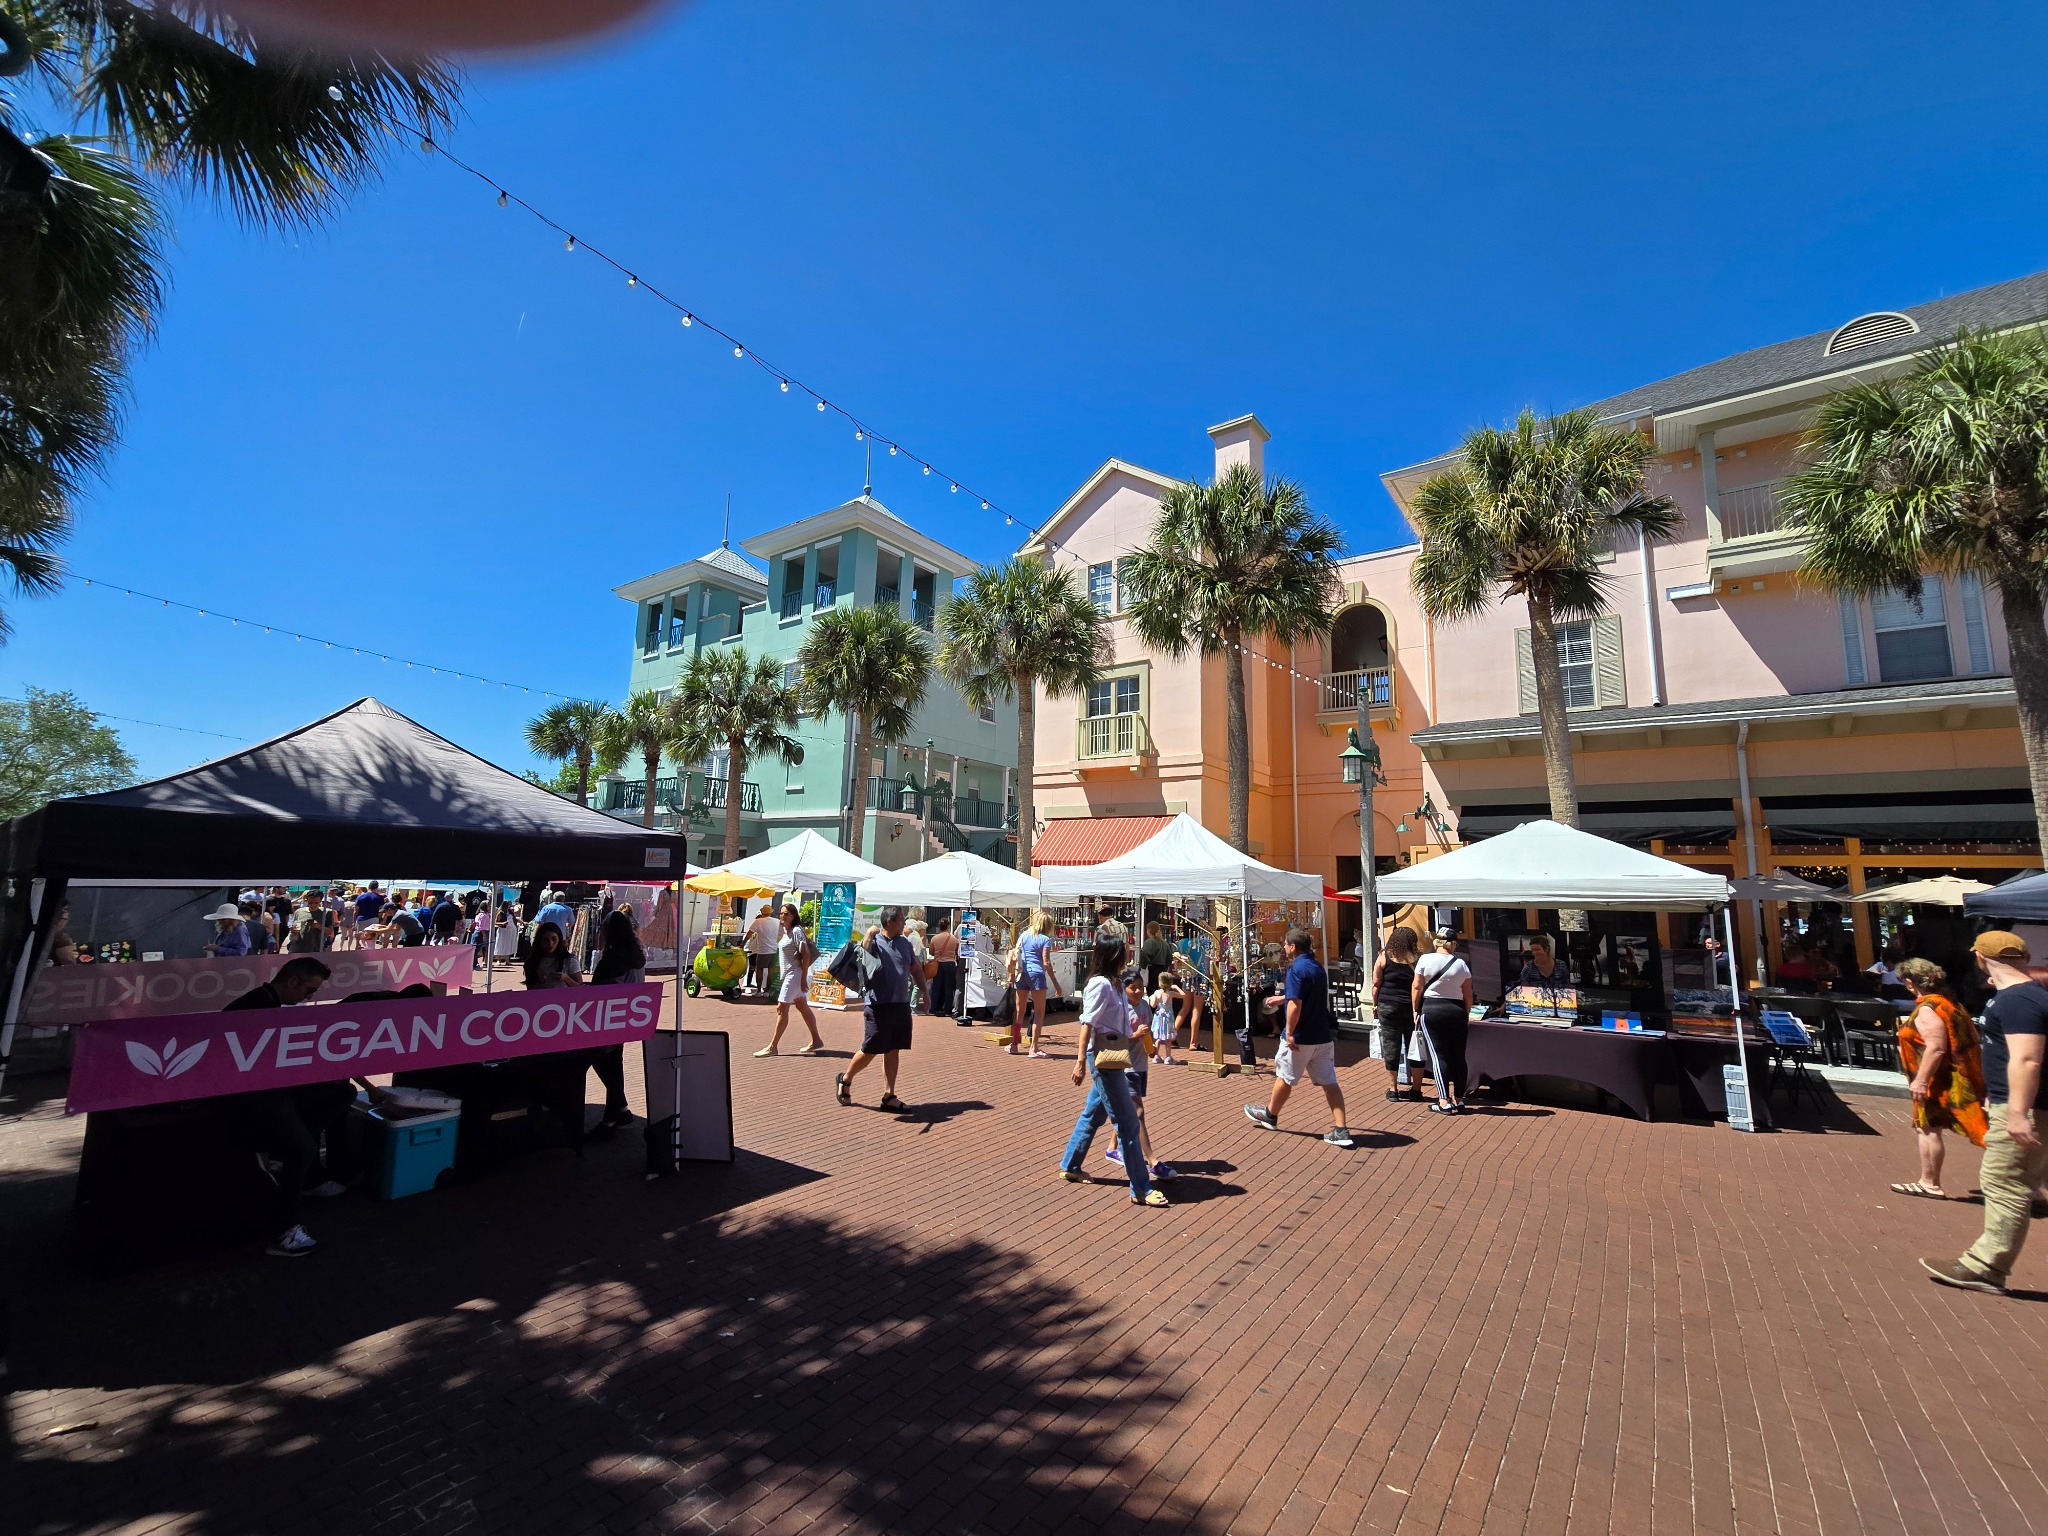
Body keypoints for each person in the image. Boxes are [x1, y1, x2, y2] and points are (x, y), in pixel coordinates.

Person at [1923, 932, 2048, 1296]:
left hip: (2026, 1108)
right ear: (2024, 958)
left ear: (1980, 958)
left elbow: (2027, 1059)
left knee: (2004, 1182)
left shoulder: (2017, 1000)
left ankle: (1986, 1267)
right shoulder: (2027, 996)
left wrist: (2017, 1111)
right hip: (2024, 1102)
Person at [222, 957, 346, 1258]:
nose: (308, 998)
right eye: (308, 991)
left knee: (342, 1093)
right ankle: (284, 1230)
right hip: (252, 1098)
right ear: (292, 981)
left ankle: (289, 1155)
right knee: (303, 1149)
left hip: (269, 1091)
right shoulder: (256, 1007)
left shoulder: (264, 1003)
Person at [1056, 937, 1168, 1207]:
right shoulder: (1101, 984)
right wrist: (1080, 1061)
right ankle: (1141, 1188)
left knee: (1094, 1113)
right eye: (1125, 950)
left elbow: (1118, 1023)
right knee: (1128, 1123)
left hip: (1116, 1055)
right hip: (1103, 1058)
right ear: (1114, 955)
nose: (1129, 953)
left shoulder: (1116, 983)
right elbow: (1087, 1023)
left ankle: (1071, 1164)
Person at [1244, 930, 1355, 1147]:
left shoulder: (1296, 969)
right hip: (1322, 1035)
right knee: (1330, 1083)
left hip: (1301, 1037)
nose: (1284, 947)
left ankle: (1270, 1114)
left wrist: (1289, 1032)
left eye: (1286, 944)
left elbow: (1296, 1004)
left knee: (1284, 1077)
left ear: (1293, 947)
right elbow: (1306, 995)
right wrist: (1282, 999)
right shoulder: (1317, 967)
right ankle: (1341, 1129)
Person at [1888, 957, 1987, 1200]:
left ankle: (1929, 1183)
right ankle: (2033, 1185)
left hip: (1939, 1081)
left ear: (1910, 983)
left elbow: (1936, 1048)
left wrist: (1921, 1080)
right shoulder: (1950, 1004)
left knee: (1928, 1128)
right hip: (1955, 1078)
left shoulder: (1928, 1009)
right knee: (1982, 1129)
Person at [837, 906, 915, 1111]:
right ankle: (845, 1079)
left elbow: (915, 968)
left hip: (900, 1003)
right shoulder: (874, 940)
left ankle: (889, 1095)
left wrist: (924, 989)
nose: (904, 923)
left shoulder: (905, 943)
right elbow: (862, 960)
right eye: (901, 919)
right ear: (890, 922)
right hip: (877, 1004)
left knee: (894, 1049)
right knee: (870, 1049)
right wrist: (868, 936)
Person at [1104, 968, 1175, 1180]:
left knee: (1125, 1110)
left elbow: (1149, 1030)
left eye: (1140, 987)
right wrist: (1135, 1035)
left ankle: (1112, 1148)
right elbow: (1113, 1038)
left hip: (1140, 1065)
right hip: (1125, 1067)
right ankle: (1153, 1161)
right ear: (1123, 988)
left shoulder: (1144, 1005)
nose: (1137, 991)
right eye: (1132, 987)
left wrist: (1151, 1047)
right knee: (1138, 1112)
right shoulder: (1120, 1008)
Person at [585, 909, 643, 1132]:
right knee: (613, 1062)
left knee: (603, 1061)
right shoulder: (634, 953)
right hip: (625, 1016)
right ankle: (621, 1109)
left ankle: (613, 1116)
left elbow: (607, 990)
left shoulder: (616, 957)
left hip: (609, 1018)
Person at [1412, 927, 1474, 1115]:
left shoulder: (1425, 959)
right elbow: (1468, 993)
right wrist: (1466, 1013)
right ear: (1452, 944)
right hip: (1456, 1010)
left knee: (1439, 1055)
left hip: (1432, 1008)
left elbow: (1416, 987)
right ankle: (1460, 1099)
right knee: (1459, 1056)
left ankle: (1444, 1100)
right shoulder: (1461, 964)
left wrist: (1415, 1009)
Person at [759, 903, 824, 1056]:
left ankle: (773, 1047)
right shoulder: (787, 932)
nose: (783, 916)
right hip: (791, 974)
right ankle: (816, 1040)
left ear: (794, 916)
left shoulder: (796, 931)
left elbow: (806, 954)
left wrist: (803, 978)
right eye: (781, 913)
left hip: (795, 974)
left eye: (786, 914)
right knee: (802, 1006)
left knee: (782, 1009)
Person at [1373, 925, 1422, 1102]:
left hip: (1388, 1006)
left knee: (1391, 1047)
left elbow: (1376, 984)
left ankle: (1393, 1089)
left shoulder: (1384, 957)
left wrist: (1375, 1005)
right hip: (1412, 1008)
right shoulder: (1419, 959)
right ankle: (1416, 1090)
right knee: (1415, 1048)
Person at [1015, 908, 1055, 1058]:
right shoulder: (1045, 939)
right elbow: (1046, 963)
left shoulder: (1024, 935)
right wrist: (1056, 984)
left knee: (1019, 1011)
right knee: (1039, 1012)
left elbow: (1016, 952)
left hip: (1022, 973)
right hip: (1037, 974)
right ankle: (1034, 1047)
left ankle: (1014, 1044)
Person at [524, 921, 582, 988]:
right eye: (545, 940)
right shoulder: (531, 961)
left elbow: (581, 988)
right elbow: (530, 989)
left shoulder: (570, 960)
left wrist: (565, 978)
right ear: (539, 941)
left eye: (554, 939)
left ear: (559, 939)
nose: (550, 943)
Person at [743, 903, 781, 995]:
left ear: (762, 913)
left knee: (759, 969)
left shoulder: (758, 921)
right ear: (771, 913)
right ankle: (767, 990)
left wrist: (742, 944)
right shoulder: (777, 921)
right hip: (775, 949)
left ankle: (759, 990)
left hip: (763, 950)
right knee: (771, 970)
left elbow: (749, 934)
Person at [927, 919, 960, 1017]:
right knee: (949, 988)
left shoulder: (934, 938)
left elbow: (931, 952)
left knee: (936, 987)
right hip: (950, 964)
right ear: (948, 926)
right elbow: (957, 952)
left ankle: (933, 1009)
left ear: (939, 927)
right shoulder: (954, 939)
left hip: (938, 964)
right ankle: (948, 1011)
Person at [1140, 921, 1175, 991]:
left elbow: (1144, 953)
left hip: (1151, 970)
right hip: (1162, 969)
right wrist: (1165, 967)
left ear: (1149, 930)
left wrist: (1143, 966)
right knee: (1160, 989)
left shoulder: (1149, 942)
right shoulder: (1164, 943)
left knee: (1151, 990)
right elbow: (1169, 957)